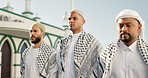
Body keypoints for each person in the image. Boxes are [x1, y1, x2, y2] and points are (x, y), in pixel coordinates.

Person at [100, 9, 148, 78]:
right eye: (121, 25)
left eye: (129, 25)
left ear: (139, 27)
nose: (124, 29)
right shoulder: (106, 53)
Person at [56, 9, 103, 78]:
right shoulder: (62, 42)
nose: (71, 21)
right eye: (69, 19)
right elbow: (57, 67)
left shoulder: (92, 42)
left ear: (83, 21)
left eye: (75, 18)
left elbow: (100, 65)